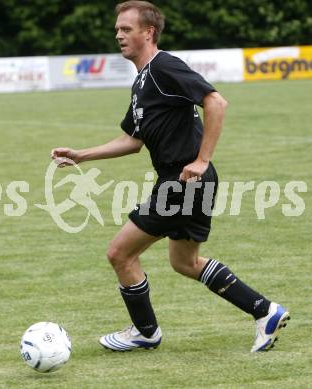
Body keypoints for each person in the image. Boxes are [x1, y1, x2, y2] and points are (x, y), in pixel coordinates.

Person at [51, 1, 289, 352]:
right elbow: (133, 141)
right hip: (188, 182)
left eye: (126, 28)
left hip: (183, 182)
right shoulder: (142, 81)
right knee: (185, 262)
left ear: (148, 32)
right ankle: (264, 311)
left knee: (120, 254)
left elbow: (215, 102)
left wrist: (202, 159)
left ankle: (145, 332)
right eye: (117, 29)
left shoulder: (164, 66)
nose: (119, 34)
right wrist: (82, 155)